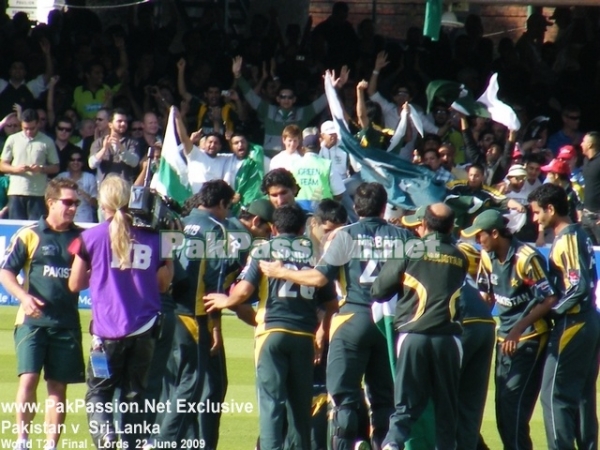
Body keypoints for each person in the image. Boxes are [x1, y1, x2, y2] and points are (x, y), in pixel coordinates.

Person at [259, 182, 413, 450]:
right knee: (385, 399)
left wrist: (281, 272)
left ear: (355, 207)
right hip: (389, 323)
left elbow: (318, 278)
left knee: (343, 396)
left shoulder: (345, 235)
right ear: (384, 206)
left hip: (353, 318)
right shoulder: (403, 237)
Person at [205, 204, 338, 450]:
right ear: (302, 228)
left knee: (271, 406)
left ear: (274, 228)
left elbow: (243, 291)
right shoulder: (316, 252)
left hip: (272, 333)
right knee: (300, 410)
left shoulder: (264, 249)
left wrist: (226, 300)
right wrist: (321, 332)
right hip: (304, 336)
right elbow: (331, 303)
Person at [68, 175, 173, 448]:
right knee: (135, 393)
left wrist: (101, 269)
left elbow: (75, 283)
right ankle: (133, 442)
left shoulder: (90, 237)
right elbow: (163, 285)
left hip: (106, 333)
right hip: (145, 328)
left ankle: (106, 437)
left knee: (98, 392)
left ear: (103, 203)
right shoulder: (154, 237)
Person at [371, 203, 467, 450]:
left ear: (423, 224)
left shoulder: (410, 249)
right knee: (446, 408)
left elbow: (380, 291)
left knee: (405, 404)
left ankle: (392, 444)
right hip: (448, 339)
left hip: (413, 336)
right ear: (451, 227)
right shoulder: (460, 257)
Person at [461, 209, 557, 450]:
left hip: (530, 337)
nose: (477, 241)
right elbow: (487, 297)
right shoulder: (486, 257)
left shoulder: (526, 257)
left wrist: (517, 330)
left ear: (495, 233)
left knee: (513, 407)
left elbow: (548, 299)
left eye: (480, 236)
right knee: (503, 408)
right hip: (504, 338)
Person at [0, 178, 85, 450]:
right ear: (51, 202)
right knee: (28, 379)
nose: (73, 208)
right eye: (68, 202)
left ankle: (51, 445)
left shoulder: (82, 237)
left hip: (67, 323)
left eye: (76, 203)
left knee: (58, 387)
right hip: (32, 323)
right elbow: (5, 271)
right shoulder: (30, 233)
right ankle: (22, 441)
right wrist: (23, 297)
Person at [528, 184, 600, 450]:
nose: (535, 219)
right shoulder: (578, 235)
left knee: (553, 394)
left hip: (574, 321)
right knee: (582, 395)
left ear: (551, 209)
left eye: (537, 213)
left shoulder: (568, 237)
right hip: (588, 320)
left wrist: (553, 310)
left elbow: (579, 285)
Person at [0, 108, 60, 220]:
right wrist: (15, 169)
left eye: (32, 128)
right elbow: (2, 165)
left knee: (36, 228)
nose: (28, 132)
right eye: (25, 128)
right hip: (16, 191)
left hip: (38, 193)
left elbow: (56, 167)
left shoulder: (47, 141)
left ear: (38, 123)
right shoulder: (12, 139)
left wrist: (41, 169)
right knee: (16, 229)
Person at [57, 149, 98, 223]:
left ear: (82, 162)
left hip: (85, 217)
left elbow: (95, 204)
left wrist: (80, 190)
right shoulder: (61, 177)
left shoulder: (90, 177)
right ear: (68, 162)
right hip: (65, 215)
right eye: (72, 160)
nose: (75, 162)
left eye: (79, 160)